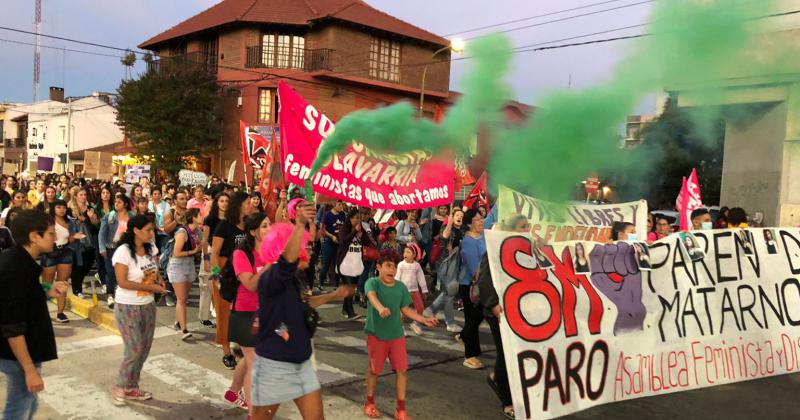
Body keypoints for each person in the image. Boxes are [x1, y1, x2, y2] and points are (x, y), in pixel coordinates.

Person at [250, 200, 337, 419]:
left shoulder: (294, 281)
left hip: (302, 364)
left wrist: (336, 294)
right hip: (274, 367)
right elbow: (286, 263)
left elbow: (301, 308)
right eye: (303, 246)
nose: (308, 249)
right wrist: (299, 225)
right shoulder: (271, 279)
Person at [0, 210, 67, 420]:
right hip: (18, 355)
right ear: (33, 236)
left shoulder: (20, 260)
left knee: (29, 403)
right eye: (50, 233)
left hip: (25, 350)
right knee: (18, 409)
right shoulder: (16, 267)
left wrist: (46, 289)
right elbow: (12, 325)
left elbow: (22, 295)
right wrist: (29, 370)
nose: (55, 238)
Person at [363, 256, 438, 420]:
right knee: (374, 371)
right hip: (376, 335)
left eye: (394, 267)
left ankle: (401, 409)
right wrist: (380, 308)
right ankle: (369, 403)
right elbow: (371, 296)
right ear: (378, 267)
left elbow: (406, 309)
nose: (391, 270)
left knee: (402, 371)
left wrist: (423, 319)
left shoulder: (401, 287)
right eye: (388, 266)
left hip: (396, 336)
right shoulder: (372, 282)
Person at [477, 215, 529, 419]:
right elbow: (484, 279)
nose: (527, 229)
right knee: (506, 353)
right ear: (511, 230)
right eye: (523, 227)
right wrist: (493, 304)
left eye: (528, 226)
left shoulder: (525, 248)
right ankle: (507, 401)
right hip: (498, 311)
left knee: (515, 354)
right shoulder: (496, 248)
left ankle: (497, 378)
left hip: (517, 310)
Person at [111, 215, 166, 405]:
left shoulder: (151, 249)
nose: (152, 234)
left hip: (148, 305)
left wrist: (159, 279)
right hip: (127, 306)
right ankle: (120, 385)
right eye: (148, 230)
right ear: (136, 230)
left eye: (153, 230)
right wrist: (152, 288)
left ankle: (131, 387)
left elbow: (153, 269)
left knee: (144, 349)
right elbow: (122, 282)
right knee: (134, 349)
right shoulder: (123, 252)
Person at [225, 212, 270, 413]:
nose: (270, 230)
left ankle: (233, 392)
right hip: (244, 313)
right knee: (255, 363)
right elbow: (251, 284)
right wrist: (269, 266)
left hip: (265, 313)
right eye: (264, 226)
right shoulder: (241, 254)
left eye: (270, 225)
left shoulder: (272, 252)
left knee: (250, 356)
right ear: (253, 232)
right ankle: (253, 414)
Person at [211, 192, 253, 369]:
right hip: (225, 271)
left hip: (245, 272)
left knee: (244, 311)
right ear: (238, 205)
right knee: (224, 313)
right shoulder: (224, 225)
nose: (251, 205)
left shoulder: (251, 225)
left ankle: (242, 344)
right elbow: (214, 253)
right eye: (247, 203)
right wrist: (216, 276)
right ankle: (226, 351)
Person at [41, 200, 86, 323]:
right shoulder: (47, 221)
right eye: (58, 207)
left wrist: (75, 237)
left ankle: (60, 313)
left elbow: (71, 239)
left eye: (64, 207)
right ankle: (42, 312)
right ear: (53, 209)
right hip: (49, 252)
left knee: (62, 283)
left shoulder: (71, 222)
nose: (62, 209)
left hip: (65, 252)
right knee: (47, 284)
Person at [167, 208, 202, 340]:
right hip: (178, 265)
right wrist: (194, 251)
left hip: (189, 265)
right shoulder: (182, 232)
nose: (202, 216)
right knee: (181, 299)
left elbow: (204, 244)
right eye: (199, 215)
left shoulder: (197, 231)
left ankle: (178, 322)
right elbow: (176, 253)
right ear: (193, 217)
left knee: (183, 298)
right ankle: (184, 329)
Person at [458, 209, 487, 369]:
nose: (481, 221)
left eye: (481, 218)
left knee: (476, 318)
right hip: (470, 284)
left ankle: (463, 336)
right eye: (476, 219)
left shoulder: (483, 235)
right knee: (473, 319)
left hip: (483, 283)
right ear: (469, 223)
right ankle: (470, 355)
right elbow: (474, 268)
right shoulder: (468, 241)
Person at [199, 192, 229, 327]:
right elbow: (204, 240)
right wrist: (205, 258)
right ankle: (204, 316)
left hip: (226, 255)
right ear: (217, 203)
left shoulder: (231, 219)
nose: (224, 203)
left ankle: (221, 318)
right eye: (221, 201)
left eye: (226, 201)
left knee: (221, 286)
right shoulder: (210, 219)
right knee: (208, 285)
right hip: (211, 253)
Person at [336, 208, 372, 320]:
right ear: (350, 218)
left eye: (359, 218)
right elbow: (343, 241)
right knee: (349, 287)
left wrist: (363, 234)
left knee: (352, 287)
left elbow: (367, 242)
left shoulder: (361, 229)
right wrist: (354, 232)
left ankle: (344, 309)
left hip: (356, 263)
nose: (358, 220)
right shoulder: (344, 229)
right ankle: (351, 312)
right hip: (345, 263)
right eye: (356, 218)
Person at [99, 194, 133, 309]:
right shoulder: (110, 216)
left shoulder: (132, 216)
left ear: (125, 204)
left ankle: (123, 295)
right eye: (116, 202)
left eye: (119, 202)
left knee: (126, 273)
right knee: (111, 272)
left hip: (127, 249)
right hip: (111, 248)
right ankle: (110, 294)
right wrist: (102, 248)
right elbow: (102, 233)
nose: (116, 204)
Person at [395, 243, 428, 335]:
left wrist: (424, 290)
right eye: (404, 252)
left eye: (408, 252)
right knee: (403, 312)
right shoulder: (401, 265)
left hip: (415, 291)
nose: (405, 254)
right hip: (404, 292)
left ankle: (416, 324)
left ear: (414, 255)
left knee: (420, 308)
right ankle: (400, 327)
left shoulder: (417, 265)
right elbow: (397, 277)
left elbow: (421, 278)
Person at [319, 200, 346, 288]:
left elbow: (344, 227)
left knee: (337, 263)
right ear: (334, 204)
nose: (341, 206)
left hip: (339, 241)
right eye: (339, 204)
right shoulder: (327, 215)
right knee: (326, 263)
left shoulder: (342, 215)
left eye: (342, 204)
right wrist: (332, 237)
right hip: (328, 241)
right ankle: (320, 283)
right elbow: (322, 229)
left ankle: (336, 285)